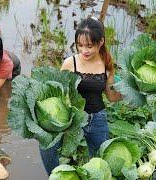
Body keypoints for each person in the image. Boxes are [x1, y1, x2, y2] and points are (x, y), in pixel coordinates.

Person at [40, 17, 122, 175]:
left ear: (101, 42)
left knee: (101, 163)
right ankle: (55, 176)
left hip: (97, 119)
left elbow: (111, 96)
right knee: (47, 146)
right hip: (73, 119)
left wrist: (131, 92)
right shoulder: (70, 63)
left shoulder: (107, 64)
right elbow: (57, 93)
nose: (84, 50)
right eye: (80, 45)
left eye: (89, 46)